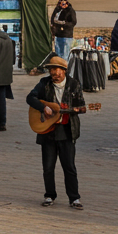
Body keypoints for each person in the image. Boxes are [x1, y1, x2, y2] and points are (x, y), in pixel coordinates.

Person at [26, 55, 86, 208]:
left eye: (58, 72)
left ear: (64, 71)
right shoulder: (44, 83)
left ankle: (74, 198)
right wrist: (43, 107)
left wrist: (75, 109)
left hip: (67, 131)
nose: (55, 75)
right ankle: (49, 195)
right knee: (48, 167)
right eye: (52, 71)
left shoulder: (74, 84)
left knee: (69, 166)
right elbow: (30, 98)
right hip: (48, 131)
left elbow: (81, 105)